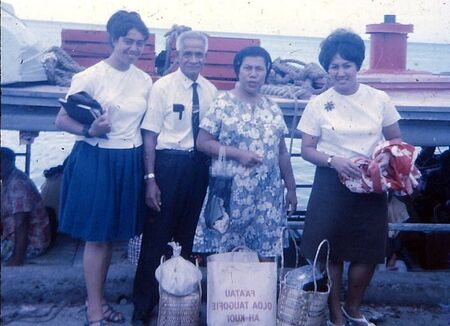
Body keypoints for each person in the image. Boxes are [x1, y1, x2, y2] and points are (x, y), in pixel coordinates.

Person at [297, 29, 402, 326]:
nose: (340, 72)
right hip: (332, 182)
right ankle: (334, 315)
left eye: (346, 65)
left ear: (357, 66)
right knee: (330, 252)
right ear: (327, 69)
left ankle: (353, 308)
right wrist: (335, 161)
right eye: (334, 66)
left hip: (370, 184)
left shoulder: (379, 99)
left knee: (368, 252)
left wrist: (383, 158)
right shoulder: (318, 103)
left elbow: (396, 140)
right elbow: (306, 149)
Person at [55, 10, 152, 326]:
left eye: (140, 43)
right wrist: (88, 131)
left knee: (109, 237)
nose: (134, 48)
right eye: (128, 41)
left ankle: (96, 300)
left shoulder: (144, 79)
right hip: (97, 159)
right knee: (97, 237)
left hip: (129, 160)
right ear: (113, 39)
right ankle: (95, 311)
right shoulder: (90, 76)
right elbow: (62, 119)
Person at [132, 31, 217, 325]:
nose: (194, 59)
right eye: (188, 54)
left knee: (187, 239)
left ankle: (180, 306)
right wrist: (151, 179)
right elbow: (150, 136)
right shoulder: (163, 88)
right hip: (169, 166)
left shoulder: (210, 91)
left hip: (198, 167)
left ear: (205, 57)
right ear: (177, 55)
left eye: (199, 54)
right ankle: (143, 307)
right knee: (156, 237)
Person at [192, 46, 298, 259]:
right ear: (238, 70)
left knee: (265, 255)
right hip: (231, 194)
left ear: (267, 72)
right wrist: (237, 154)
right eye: (247, 68)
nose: (253, 73)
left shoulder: (272, 107)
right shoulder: (222, 103)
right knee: (226, 255)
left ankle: (261, 293)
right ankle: (227, 293)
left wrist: (292, 189)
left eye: (259, 69)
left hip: (267, 196)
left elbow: (282, 152)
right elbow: (202, 143)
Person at [1, 147, 51, 266]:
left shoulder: (18, 185)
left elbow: (21, 223)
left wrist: (17, 258)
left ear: (10, 162)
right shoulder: (9, 179)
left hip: (31, 244)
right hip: (11, 236)